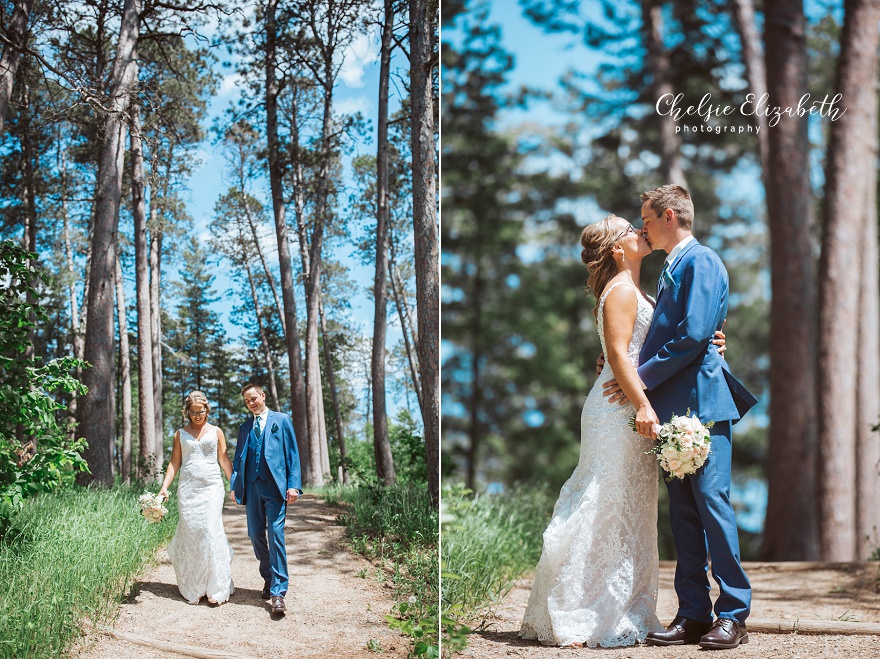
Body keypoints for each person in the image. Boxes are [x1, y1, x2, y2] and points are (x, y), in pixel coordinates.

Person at [603, 185, 757, 650]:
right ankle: (692, 612)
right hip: (671, 410)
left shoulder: (702, 261)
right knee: (684, 515)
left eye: (646, 219)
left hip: (704, 405)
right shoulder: (670, 267)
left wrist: (639, 378)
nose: (642, 227)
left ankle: (733, 614)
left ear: (668, 216)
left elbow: (693, 335)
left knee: (712, 503)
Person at [230, 383, 302, 615]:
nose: (251, 403)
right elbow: (239, 459)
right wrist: (234, 485)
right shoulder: (244, 428)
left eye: (254, 398)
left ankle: (278, 592)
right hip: (252, 487)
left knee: (276, 534)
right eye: (247, 401)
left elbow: (292, 454)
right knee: (254, 534)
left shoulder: (282, 420)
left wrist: (294, 485)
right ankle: (269, 576)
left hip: (275, 487)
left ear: (262, 396)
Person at [159, 391, 235, 605]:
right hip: (188, 488)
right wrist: (165, 487)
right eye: (193, 412)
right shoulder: (180, 434)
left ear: (207, 410)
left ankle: (215, 586)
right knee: (192, 532)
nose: (197, 416)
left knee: (210, 530)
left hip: (212, 486)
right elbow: (174, 462)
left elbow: (223, 458)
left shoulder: (216, 431)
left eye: (201, 411)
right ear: (187, 412)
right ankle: (195, 585)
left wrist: (235, 484)